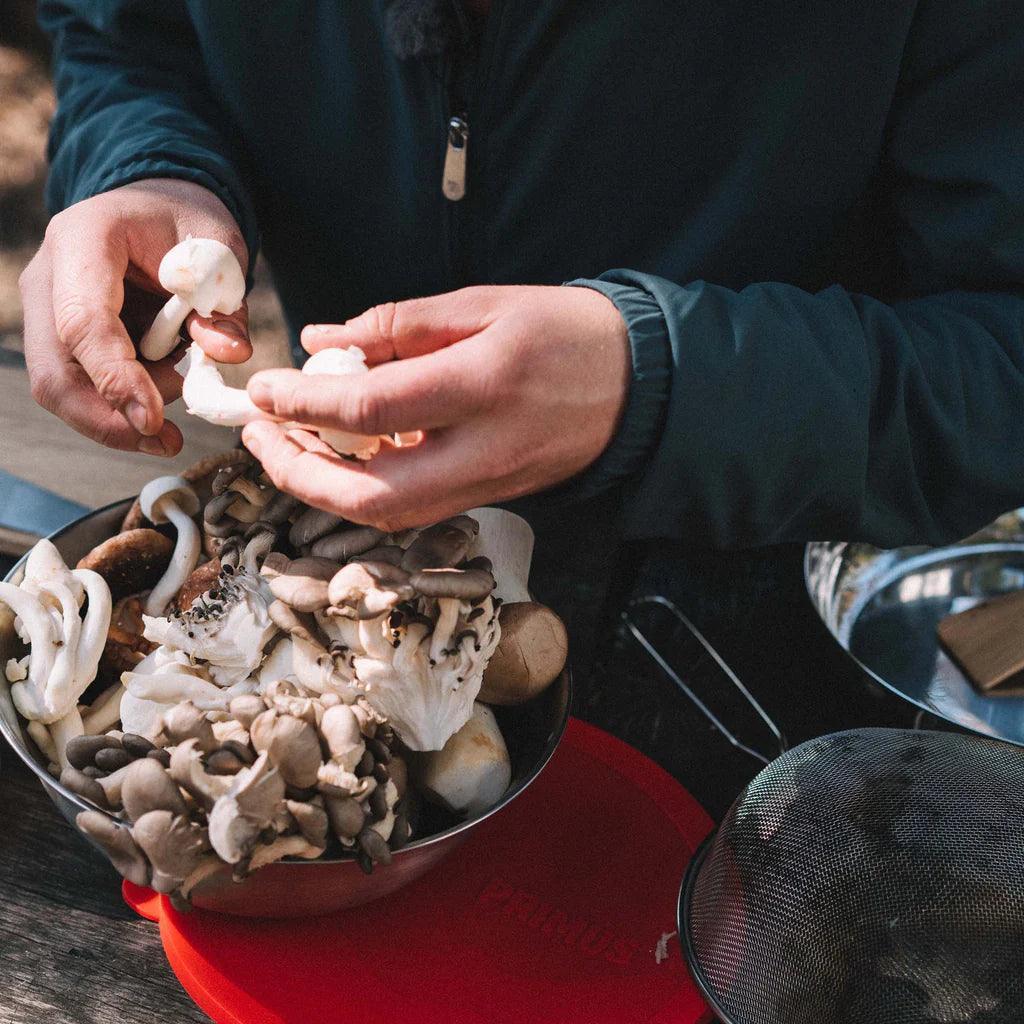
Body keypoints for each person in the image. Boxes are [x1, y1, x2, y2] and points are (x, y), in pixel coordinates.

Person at [19, 2, 1024, 758]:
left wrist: (660, 385)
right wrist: (146, 167)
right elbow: (128, 34)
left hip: (791, 655)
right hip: (355, 592)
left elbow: (999, 354)